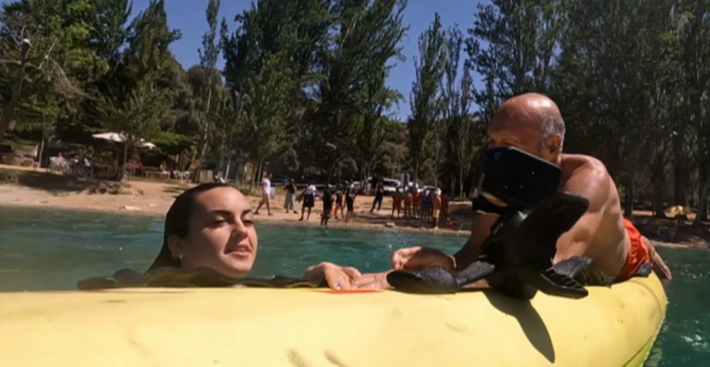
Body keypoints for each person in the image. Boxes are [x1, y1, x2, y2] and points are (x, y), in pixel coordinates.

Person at [391, 93, 673, 283]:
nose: (495, 155)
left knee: (629, 241)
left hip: (620, 259)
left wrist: (458, 282)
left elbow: (549, 262)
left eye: (508, 144)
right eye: (492, 143)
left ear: (552, 146)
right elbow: (476, 248)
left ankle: (645, 244)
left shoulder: (590, 178)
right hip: (583, 237)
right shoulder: (501, 177)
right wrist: (447, 263)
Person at [135, 183, 360, 288]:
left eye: (248, 220)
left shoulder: (258, 290)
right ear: (177, 245)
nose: (242, 230)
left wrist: (312, 279)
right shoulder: (136, 289)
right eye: (219, 221)